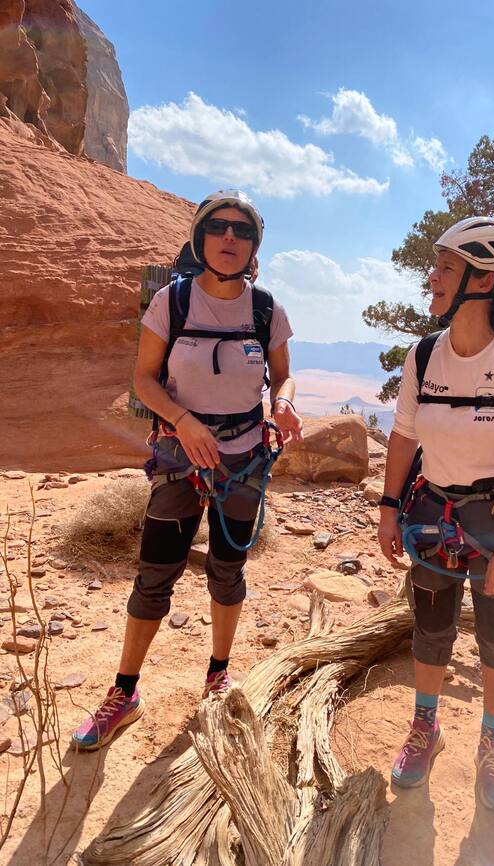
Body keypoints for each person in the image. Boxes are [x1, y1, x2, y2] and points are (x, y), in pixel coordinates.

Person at [72, 190, 303, 751]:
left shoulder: (266, 308)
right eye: (219, 228)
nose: (230, 239)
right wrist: (183, 421)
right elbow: (144, 380)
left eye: (241, 231)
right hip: (182, 454)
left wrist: (284, 404)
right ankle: (124, 692)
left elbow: (282, 378)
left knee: (228, 569)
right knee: (156, 572)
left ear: (253, 246)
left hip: (245, 456)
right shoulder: (171, 303)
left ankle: (218, 677)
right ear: (201, 238)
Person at [378, 216, 494, 811]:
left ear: (485, 281)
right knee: (430, 625)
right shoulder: (423, 356)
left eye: (445, 267)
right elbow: (402, 437)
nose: (432, 277)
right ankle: (426, 727)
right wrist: (386, 507)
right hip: (431, 513)